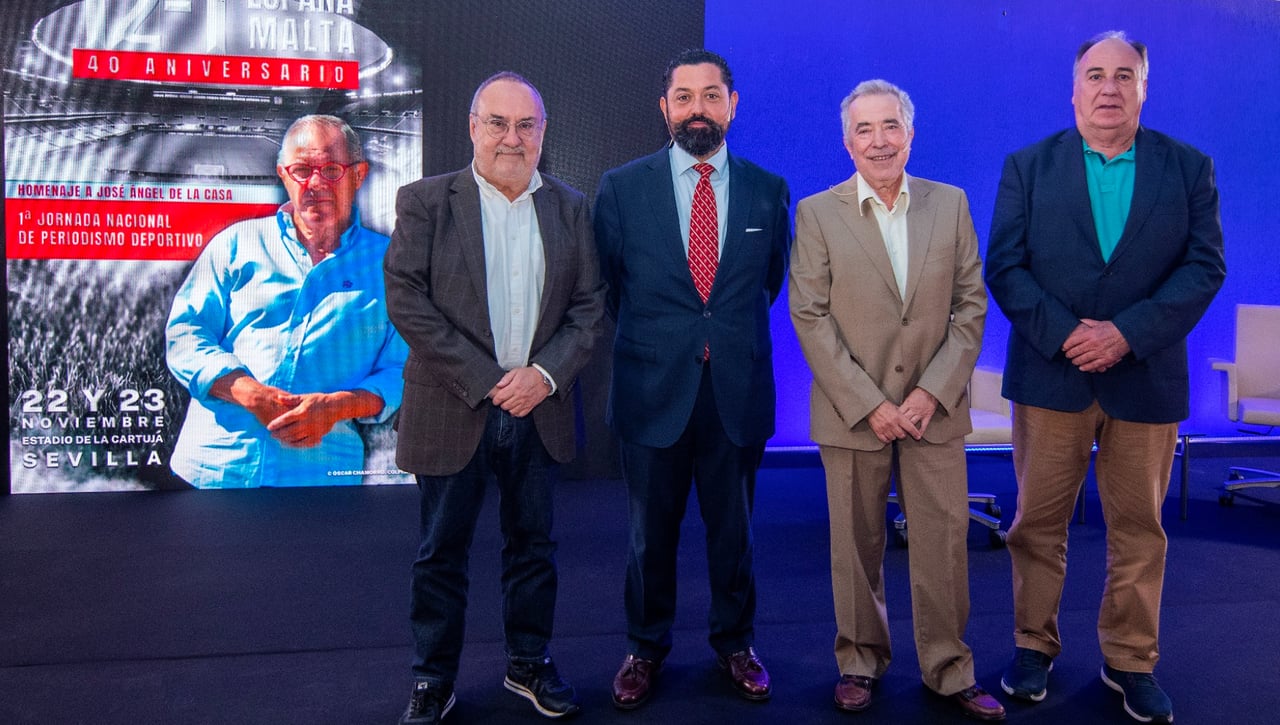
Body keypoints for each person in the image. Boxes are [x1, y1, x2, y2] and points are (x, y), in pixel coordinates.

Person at [986, 31, 1226, 725]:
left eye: (1126, 75)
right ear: (1074, 88)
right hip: (1051, 375)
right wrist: (1069, 333)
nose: (1110, 87)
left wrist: (1127, 332)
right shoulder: (1028, 166)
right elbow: (1006, 265)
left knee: (1140, 530)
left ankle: (1129, 659)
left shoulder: (1188, 167)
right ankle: (1033, 645)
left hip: (1145, 378)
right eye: (1096, 74)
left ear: (1145, 88)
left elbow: (1204, 266)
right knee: (1036, 524)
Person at [383, 71, 605, 724]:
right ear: (473, 127)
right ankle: (433, 679)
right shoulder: (426, 201)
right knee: (440, 553)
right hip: (455, 405)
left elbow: (591, 307)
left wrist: (544, 375)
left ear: (543, 133)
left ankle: (528, 664)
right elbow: (407, 300)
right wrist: (486, 377)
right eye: (498, 123)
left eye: (526, 125)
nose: (513, 137)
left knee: (533, 547)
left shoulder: (570, 207)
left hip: (541, 408)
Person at [788, 80, 1005, 721]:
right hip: (853, 413)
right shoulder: (817, 213)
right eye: (864, 129)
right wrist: (871, 402)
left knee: (943, 542)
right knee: (855, 546)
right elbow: (809, 314)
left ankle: (949, 668)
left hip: (933, 413)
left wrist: (930, 393)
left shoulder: (952, 203)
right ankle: (859, 661)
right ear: (847, 140)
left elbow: (971, 307)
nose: (879, 140)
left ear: (911, 133)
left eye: (891, 126)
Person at [593, 48, 791, 709]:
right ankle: (644, 648)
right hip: (653, 390)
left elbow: (768, 283)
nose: (697, 108)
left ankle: (735, 642)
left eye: (711, 95)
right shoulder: (622, 187)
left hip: (735, 390)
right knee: (650, 532)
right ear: (665, 108)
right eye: (684, 96)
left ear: (732, 105)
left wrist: (714, 339)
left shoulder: (768, 189)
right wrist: (669, 343)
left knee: (734, 530)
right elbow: (613, 287)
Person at [165, 114, 408, 489]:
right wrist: (250, 393)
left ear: (359, 174)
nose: (315, 184)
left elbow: (402, 371)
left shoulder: (390, 264)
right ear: (282, 174)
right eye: (301, 170)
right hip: (215, 470)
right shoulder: (237, 243)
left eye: (331, 169)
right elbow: (185, 335)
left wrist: (335, 408)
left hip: (320, 477)